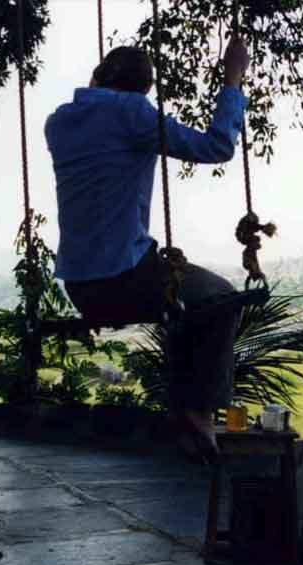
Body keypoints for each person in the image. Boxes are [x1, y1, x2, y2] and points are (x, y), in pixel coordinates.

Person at [44, 39, 251, 462]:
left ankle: (185, 410)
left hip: (80, 287)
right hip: (125, 279)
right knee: (220, 297)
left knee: (183, 305)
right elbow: (217, 147)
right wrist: (232, 79)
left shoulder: (59, 122)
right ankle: (195, 411)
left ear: (99, 77)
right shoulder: (132, 113)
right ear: (142, 92)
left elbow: (100, 112)